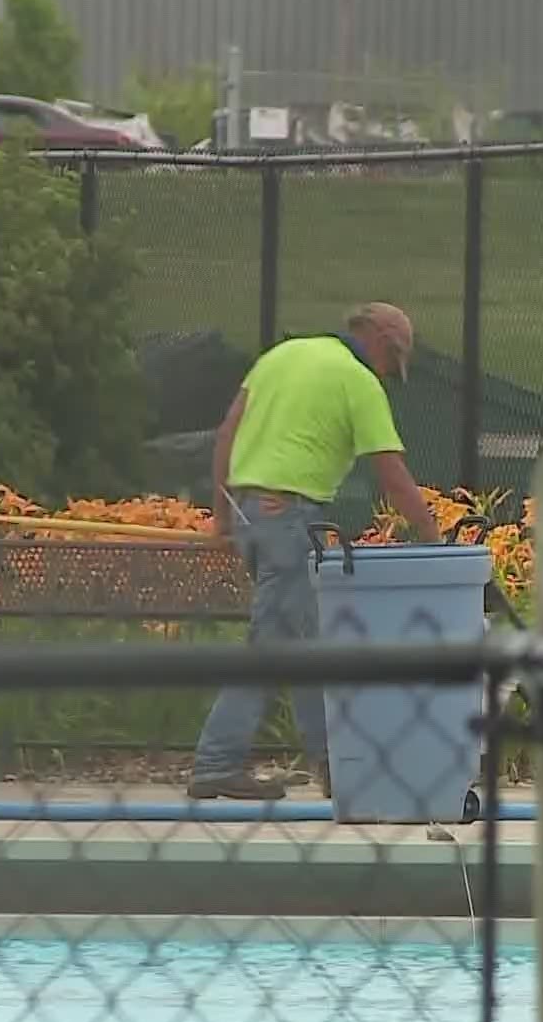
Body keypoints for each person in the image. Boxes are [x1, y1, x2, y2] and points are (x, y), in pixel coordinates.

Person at [188, 302, 442, 801]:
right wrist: (435, 539)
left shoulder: (282, 357)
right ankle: (216, 763)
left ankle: (332, 763)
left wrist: (222, 512)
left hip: (252, 514)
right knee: (272, 644)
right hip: (289, 517)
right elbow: (391, 474)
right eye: (394, 362)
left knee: (302, 642)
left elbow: (226, 433)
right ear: (382, 341)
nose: (389, 374)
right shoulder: (358, 380)